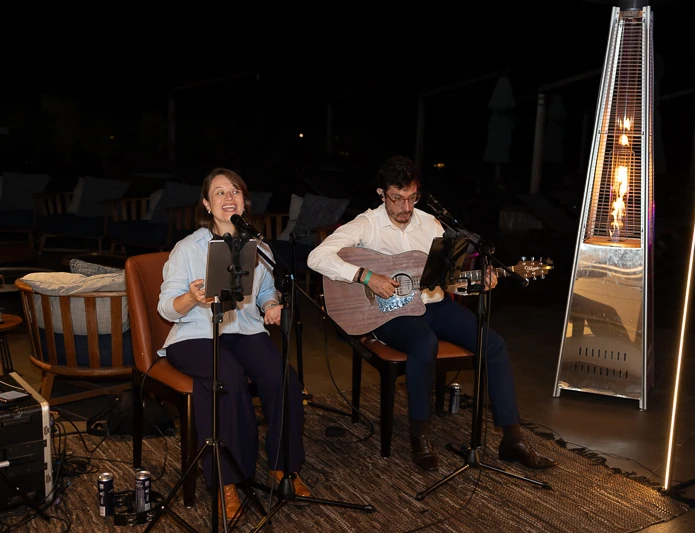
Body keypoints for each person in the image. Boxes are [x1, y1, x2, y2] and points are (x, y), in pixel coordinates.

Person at [307, 156, 557, 472]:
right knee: (425, 344)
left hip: (434, 305)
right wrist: (365, 276)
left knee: (493, 343)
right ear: (381, 194)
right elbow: (317, 257)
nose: (405, 207)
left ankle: (512, 439)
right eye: (397, 198)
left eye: (412, 197)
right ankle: (420, 435)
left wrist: (479, 283)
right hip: (390, 314)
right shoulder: (366, 224)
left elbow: (448, 281)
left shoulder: (432, 225)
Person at [157, 168, 309, 520]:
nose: (229, 197)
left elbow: (267, 291)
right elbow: (165, 307)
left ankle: (284, 467)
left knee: (282, 376)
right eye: (220, 192)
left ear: (244, 201)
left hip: (244, 329)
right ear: (207, 204)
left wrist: (270, 306)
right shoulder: (187, 249)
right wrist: (192, 298)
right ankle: (227, 480)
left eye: (235, 191)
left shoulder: (259, 247)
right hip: (196, 332)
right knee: (227, 378)